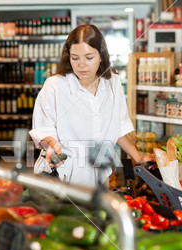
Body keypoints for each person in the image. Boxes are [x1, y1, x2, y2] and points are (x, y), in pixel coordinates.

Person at [29, 25, 154, 188]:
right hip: (61, 175)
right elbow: (43, 129)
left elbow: (117, 126)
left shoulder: (113, 83)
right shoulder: (54, 86)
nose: (81, 65)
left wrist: (138, 157)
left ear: (101, 56)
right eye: (75, 58)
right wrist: (51, 144)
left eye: (89, 57)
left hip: (99, 175)